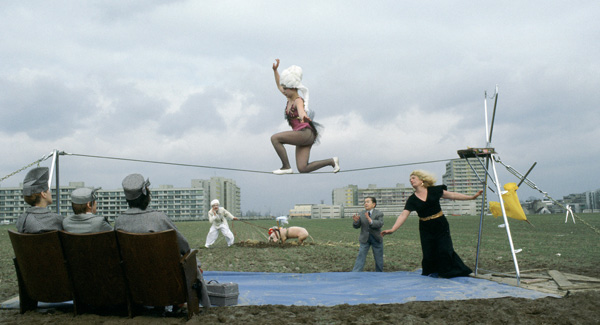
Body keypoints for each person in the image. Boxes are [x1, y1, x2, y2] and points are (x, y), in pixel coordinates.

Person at [114, 173, 211, 307]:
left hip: (135, 284)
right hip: (167, 284)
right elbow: (184, 247)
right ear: (145, 194)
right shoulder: (159, 219)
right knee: (192, 259)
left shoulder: (119, 222)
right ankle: (184, 305)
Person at [381, 170, 483, 278]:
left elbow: (452, 195)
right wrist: (393, 229)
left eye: (413, 178)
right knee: (428, 252)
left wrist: (471, 197)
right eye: (410, 179)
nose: (411, 180)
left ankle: (449, 272)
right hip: (425, 227)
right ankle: (432, 272)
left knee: (444, 249)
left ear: (421, 180)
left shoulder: (434, 190)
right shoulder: (412, 199)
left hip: (440, 224)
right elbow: (403, 215)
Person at [270, 59, 340, 174]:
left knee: (275, 138)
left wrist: (303, 117)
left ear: (292, 88)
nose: (283, 91)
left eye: (285, 88)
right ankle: (332, 161)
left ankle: (286, 166)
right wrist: (275, 70)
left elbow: (301, 111)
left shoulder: (298, 100)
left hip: (305, 133)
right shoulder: (289, 97)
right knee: (303, 168)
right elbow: (279, 85)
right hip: (303, 136)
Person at [16, 167, 63, 233]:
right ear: (43, 194)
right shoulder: (57, 220)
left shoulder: (21, 220)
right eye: (48, 190)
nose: (50, 193)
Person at [352, 197, 384, 272]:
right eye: (365, 202)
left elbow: (380, 224)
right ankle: (356, 273)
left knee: (378, 258)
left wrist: (370, 220)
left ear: (374, 204)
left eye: (368, 202)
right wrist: (356, 222)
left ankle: (379, 274)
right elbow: (356, 226)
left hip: (376, 238)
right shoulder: (361, 213)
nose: (365, 203)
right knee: (361, 256)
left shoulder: (379, 213)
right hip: (364, 239)